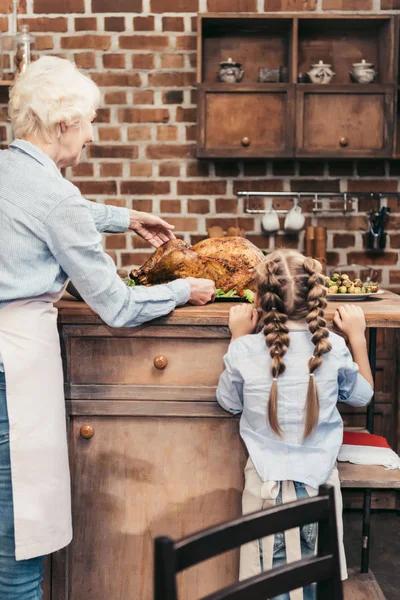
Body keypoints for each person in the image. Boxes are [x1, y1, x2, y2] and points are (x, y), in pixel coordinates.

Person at [0, 56, 215, 599]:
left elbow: (38, 208)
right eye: (90, 122)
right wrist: (182, 290)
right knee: (17, 550)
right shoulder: (58, 199)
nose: (92, 136)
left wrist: (122, 217)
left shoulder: (10, 172)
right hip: (12, 372)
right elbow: (117, 306)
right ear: (63, 124)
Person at [216, 249, 374, 600]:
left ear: (258, 300)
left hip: (264, 495)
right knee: (316, 583)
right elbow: (362, 396)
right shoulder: (332, 347)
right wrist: (358, 338)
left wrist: (238, 336)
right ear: (318, 297)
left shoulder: (245, 350)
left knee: (270, 587)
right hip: (320, 490)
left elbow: (227, 402)